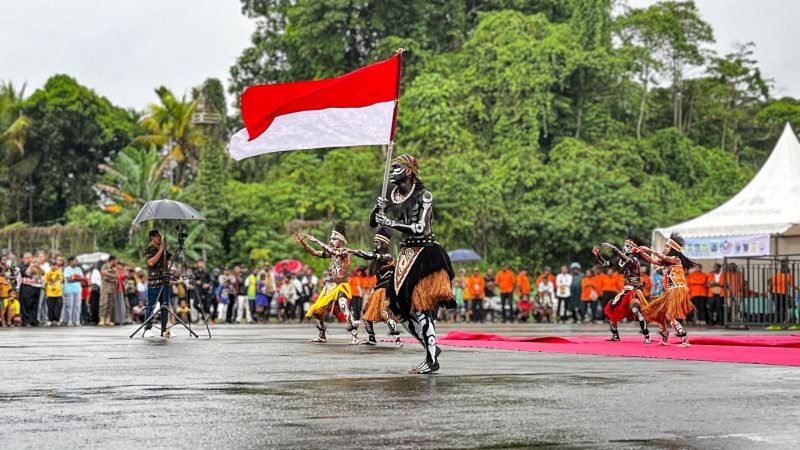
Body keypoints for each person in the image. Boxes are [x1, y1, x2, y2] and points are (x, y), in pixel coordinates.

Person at [370, 154, 455, 374]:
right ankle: (431, 347)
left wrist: (390, 222)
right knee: (397, 306)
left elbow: (419, 228)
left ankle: (431, 357)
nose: (392, 172)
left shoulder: (423, 196)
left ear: (408, 171)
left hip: (426, 254)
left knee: (420, 306)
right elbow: (373, 222)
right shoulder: (393, 194)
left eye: (396, 168)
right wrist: (377, 209)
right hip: (406, 254)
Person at [295, 222, 361, 344]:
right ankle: (322, 336)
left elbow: (331, 250)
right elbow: (315, 253)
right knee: (318, 309)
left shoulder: (344, 252)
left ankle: (355, 336)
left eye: (334, 239)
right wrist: (304, 244)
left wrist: (316, 240)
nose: (331, 241)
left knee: (343, 306)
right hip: (330, 286)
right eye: (331, 239)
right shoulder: (332, 255)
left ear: (341, 241)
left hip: (341, 285)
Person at [636, 233, 695, 347]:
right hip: (670, 291)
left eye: (667, 247)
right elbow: (651, 260)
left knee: (669, 316)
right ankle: (665, 339)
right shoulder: (666, 262)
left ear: (673, 249)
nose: (665, 249)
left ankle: (685, 339)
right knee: (659, 314)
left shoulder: (676, 259)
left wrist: (649, 249)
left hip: (677, 290)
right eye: (665, 247)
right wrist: (640, 252)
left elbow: (663, 257)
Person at [349, 227, 402, 347]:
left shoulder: (387, 256)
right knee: (366, 313)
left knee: (385, 313)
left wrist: (354, 251)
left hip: (386, 290)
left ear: (383, 244)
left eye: (377, 242)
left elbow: (371, 256)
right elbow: (373, 257)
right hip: (378, 290)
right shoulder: (377, 260)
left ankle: (397, 339)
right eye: (374, 242)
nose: (375, 244)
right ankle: (372, 338)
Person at [593, 236, 651, 344]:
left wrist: (614, 248)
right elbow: (607, 264)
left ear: (633, 249)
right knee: (608, 309)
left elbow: (625, 258)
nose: (625, 247)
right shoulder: (622, 261)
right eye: (624, 246)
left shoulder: (634, 260)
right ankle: (615, 336)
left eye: (628, 246)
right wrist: (598, 256)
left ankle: (647, 336)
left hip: (635, 290)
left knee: (635, 310)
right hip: (625, 291)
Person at [143, 229, 172, 337]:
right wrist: (160, 251)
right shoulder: (148, 249)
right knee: (151, 306)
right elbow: (151, 262)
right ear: (152, 238)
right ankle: (147, 329)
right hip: (154, 282)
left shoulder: (163, 249)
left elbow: (172, 259)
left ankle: (164, 329)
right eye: (157, 236)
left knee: (165, 305)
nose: (159, 238)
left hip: (164, 281)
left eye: (160, 236)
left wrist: (167, 249)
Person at [17, 252, 43, 326]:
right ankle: (26, 321)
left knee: (35, 304)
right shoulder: (21, 266)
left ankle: (33, 320)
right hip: (27, 287)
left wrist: (38, 266)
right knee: (26, 305)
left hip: (37, 286)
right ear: (24, 259)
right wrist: (31, 265)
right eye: (27, 258)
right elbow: (26, 273)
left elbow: (43, 273)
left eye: (30, 257)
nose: (29, 259)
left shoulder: (36, 266)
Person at [44, 256, 64, 326]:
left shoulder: (59, 272)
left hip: (58, 293)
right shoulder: (47, 273)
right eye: (52, 265)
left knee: (58, 307)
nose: (54, 266)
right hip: (50, 293)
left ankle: (56, 320)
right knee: (50, 308)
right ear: (50, 266)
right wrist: (45, 293)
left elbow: (61, 281)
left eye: (55, 265)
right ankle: (50, 320)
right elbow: (45, 283)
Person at [99, 256, 118, 326]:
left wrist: (108, 274)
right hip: (105, 288)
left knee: (110, 305)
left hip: (112, 288)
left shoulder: (114, 268)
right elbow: (105, 277)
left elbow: (116, 276)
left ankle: (108, 319)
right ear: (112, 260)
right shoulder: (104, 266)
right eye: (115, 260)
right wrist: (112, 276)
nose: (116, 262)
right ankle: (102, 319)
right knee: (103, 304)